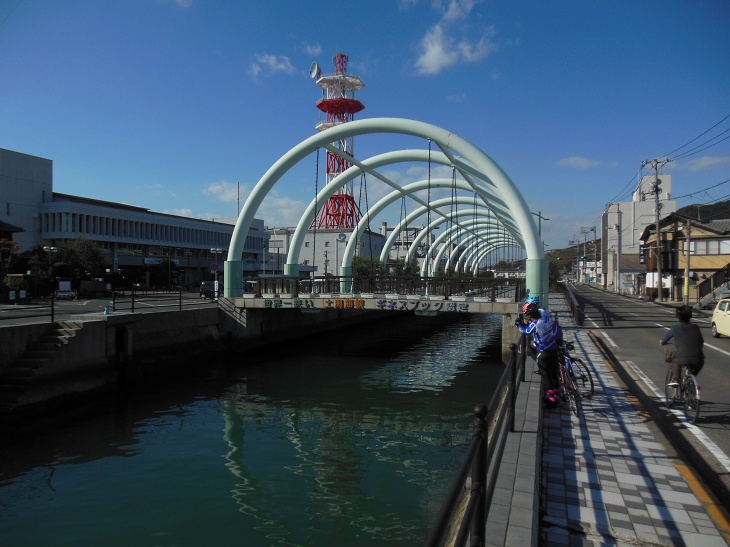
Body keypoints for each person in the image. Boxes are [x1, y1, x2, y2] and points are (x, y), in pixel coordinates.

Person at [517, 302, 563, 406]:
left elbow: (525, 331)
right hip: (553, 347)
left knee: (546, 375)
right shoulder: (545, 317)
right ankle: (556, 395)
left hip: (543, 351)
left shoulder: (536, 325)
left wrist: (518, 324)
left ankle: (552, 400)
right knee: (553, 372)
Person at [660, 305, 704, 386]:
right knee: (696, 367)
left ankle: (675, 379)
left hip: (681, 358)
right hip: (698, 359)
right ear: (690, 316)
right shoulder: (696, 327)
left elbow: (665, 339)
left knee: (676, 361)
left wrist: (662, 342)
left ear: (678, 317)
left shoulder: (675, 328)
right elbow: (701, 341)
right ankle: (692, 378)